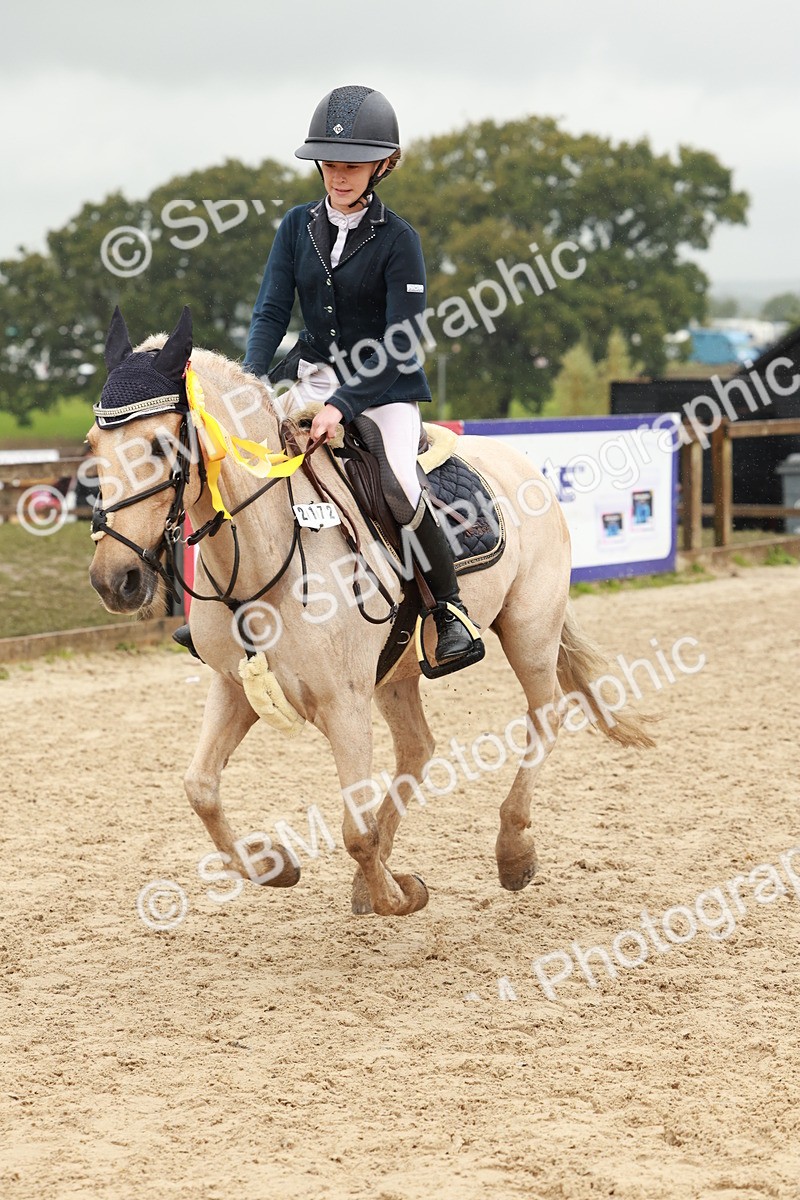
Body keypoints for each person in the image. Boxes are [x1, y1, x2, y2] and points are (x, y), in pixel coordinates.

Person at [176, 85, 479, 667]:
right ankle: (229, 605)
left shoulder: (400, 240)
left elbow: (402, 340)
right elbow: (270, 312)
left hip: (383, 387)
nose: (340, 177)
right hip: (311, 376)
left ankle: (447, 608)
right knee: (242, 466)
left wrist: (344, 402)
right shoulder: (295, 227)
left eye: (354, 165)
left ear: (383, 165)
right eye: (332, 164)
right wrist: (252, 383)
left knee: (399, 485)